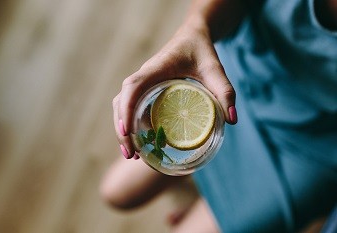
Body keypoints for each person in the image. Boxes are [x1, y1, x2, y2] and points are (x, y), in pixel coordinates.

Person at [101, 0, 337, 232]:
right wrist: (196, 28)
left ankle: (205, 192)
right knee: (116, 192)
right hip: (232, 79)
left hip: (310, 146)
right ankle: (198, 182)